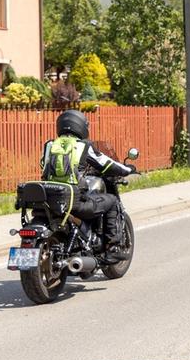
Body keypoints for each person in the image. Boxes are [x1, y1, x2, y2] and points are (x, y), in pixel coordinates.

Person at [41, 109, 136, 259]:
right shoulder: (83, 146)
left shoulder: (49, 145)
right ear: (81, 126)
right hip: (73, 200)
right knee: (111, 201)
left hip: (49, 198)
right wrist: (127, 169)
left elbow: (44, 165)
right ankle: (112, 248)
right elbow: (105, 164)